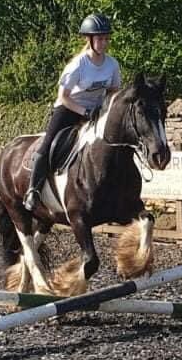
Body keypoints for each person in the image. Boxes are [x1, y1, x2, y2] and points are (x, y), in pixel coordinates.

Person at [23, 13, 122, 211]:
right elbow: (64, 96)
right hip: (69, 109)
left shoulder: (112, 64)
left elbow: (113, 91)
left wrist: (103, 109)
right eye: (100, 38)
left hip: (96, 111)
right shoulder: (78, 65)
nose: (104, 43)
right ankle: (33, 190)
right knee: (48, 144)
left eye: (106, 38)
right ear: (90, 40)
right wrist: (84, 111)